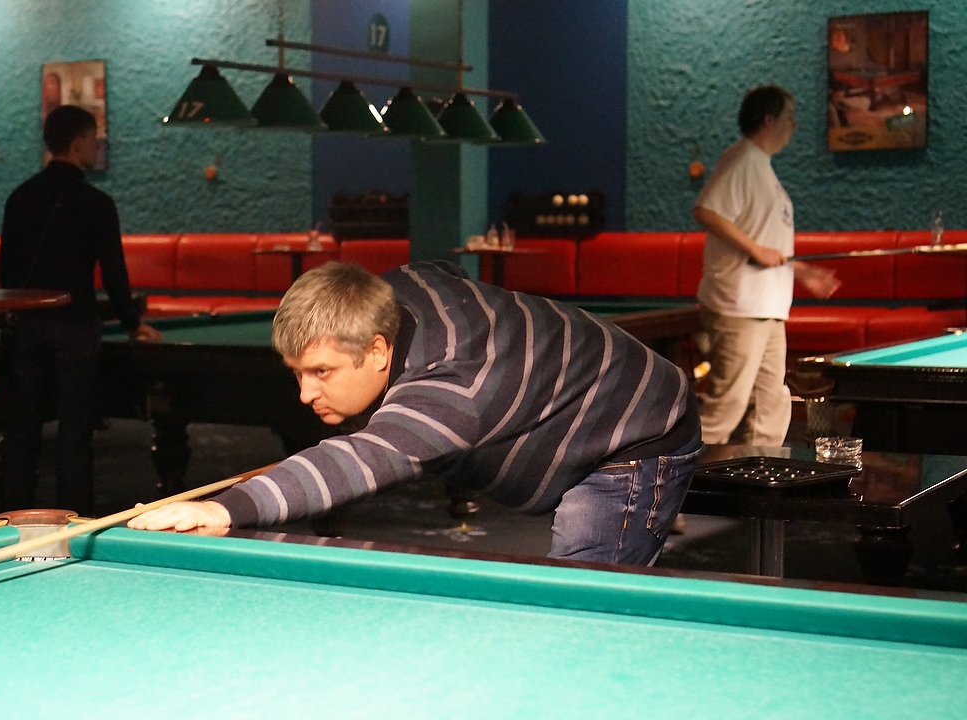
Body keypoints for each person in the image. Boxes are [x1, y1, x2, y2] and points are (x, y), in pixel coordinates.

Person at [130, 260, 703, 566]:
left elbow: (360, 460)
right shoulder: (397, 289)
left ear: (379, 351)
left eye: (322, 372)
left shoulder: (454, 390)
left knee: (579, 607)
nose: (305, 394)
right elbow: (441, 269)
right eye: (298, 373)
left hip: (632, 433)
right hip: (578, 392)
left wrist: (224, 510)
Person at [0, 105, 163, 516]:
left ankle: (11, 517)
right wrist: (132, 323)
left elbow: (6, 272)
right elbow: (114, 273)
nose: (97, 145)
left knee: (22, 431)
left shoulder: (20, 197)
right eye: (93, 138)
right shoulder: (96, 203)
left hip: (28, 325)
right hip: (75, 327)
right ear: (77, 143)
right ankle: (73, 520)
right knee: (74, 432)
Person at [691, 85, 840, 447]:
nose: (795, 125)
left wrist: (800, 270)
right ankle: (675, 475)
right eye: (790, 116)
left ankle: (756, 474)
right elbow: (706, 211)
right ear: (769, 119)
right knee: (727, 405)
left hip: (768, 309)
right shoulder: (742, 158)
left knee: (770, 405)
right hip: (740, 307)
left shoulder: (761, 167)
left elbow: (766, 244)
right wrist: (756, 249)